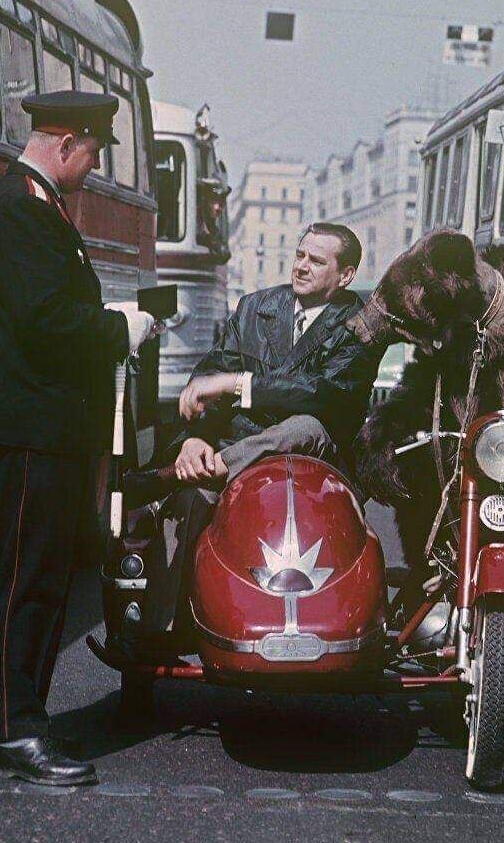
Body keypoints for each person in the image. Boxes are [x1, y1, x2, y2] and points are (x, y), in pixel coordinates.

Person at [0, 91, 158, 786]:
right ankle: (17, 730)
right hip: (28, 429)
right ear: (66, 142)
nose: (96, 167)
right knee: (24, 582)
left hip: (31, 426)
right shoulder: (22, 211)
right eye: (95, 152)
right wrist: (117, 330)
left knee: (17, 578)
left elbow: (40, 311)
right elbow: (45, 322)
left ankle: (1, 719)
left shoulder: (31, 207)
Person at [120, 223, 383, 651]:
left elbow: (324, 393)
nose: (301, 266)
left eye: (316, 261)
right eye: (300, 255)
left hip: (317, 461)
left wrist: (236, 385)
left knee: (304, 427)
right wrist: (197, 439)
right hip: (240, 453)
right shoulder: (256, 308)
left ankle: (204, 470)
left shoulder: (360, 322)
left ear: (346, 275)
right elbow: (212, 369)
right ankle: (161, 630)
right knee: (190, 501)